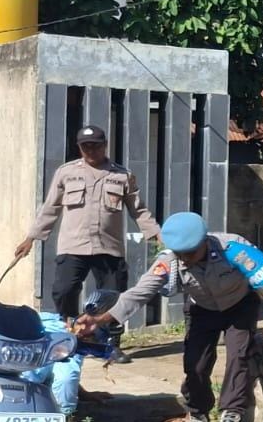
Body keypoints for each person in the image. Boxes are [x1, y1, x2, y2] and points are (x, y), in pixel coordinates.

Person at [78, 212, 263, 422]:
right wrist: (100, 320)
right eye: (180, 254)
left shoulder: (232, 248)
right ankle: (199, 416)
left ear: (204, 242)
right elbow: (138, 293)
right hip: (202, 309)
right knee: (195, 364)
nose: (185, 259)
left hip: (239, 305)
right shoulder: (170, 261)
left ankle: (229, 420)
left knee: (238, 358)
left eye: (190, 253)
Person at [16, 125, 161, 319]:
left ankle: (106, 335)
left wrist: (156, 234)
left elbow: (139, 209)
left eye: (96, 146)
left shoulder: (122, 176)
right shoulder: (66, 173)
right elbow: (51, 207)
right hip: (73, 245)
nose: (91, 151)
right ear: (79, 147)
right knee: (64, 290)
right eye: (86, 147)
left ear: (105, 145)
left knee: (112, 297)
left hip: (109, 247)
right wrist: (31, 238)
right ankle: (70, 328)